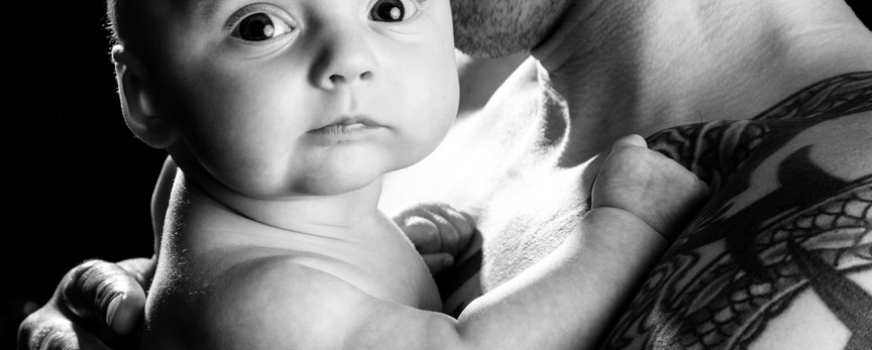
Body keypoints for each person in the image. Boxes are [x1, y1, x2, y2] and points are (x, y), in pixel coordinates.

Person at [20, 0, 872, 348]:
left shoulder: (846, 187)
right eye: (261, 24)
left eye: (388, 7)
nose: (345, 53)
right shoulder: (407, 115)